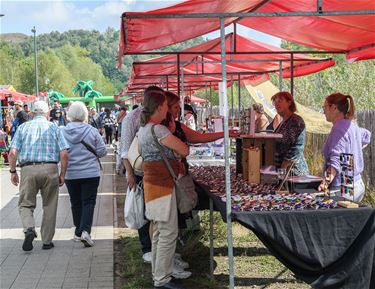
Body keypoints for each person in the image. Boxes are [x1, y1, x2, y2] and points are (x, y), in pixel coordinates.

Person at [138, 89, 189, 289]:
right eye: (167, 106)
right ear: (159, 107)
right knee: (168, 233)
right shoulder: (158, 130)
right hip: (163, 186)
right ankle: (162, 280)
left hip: (152, 186)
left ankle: (160, 275)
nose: (168, 109)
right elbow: (184, 149)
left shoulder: (142, 130)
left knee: (160, 233)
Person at [8, 101, 69, 251]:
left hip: (28, 169)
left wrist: (13, 171)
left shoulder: (23, 128)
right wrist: (62, 174)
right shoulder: (54, 128)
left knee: (25, 203)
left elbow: (13, 153)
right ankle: (47, 241)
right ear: (48, 114)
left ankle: (29, 228)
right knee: (50, 205)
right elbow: (64, 153)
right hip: (50, 168)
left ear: (32, 113)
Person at [62, 101, 107, 247]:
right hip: (90, 173)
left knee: (75, 203)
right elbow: (102, 151)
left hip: (71, 173)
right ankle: (85, 231)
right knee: (88, 202)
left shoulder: (62, 131)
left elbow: (59, 152)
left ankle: (77, 231)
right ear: (85, 114)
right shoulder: (92, 131)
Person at [318, 93, 371, 202]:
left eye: (325, 107)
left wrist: (325, 183)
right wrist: (354, 148)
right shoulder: (352, 126)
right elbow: (367, 136)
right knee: (351, 218)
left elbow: (335, 161)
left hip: (345, 187)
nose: (324, 111)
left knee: (339, 218)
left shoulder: (338, 128)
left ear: (334, 107)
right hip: (357, 184)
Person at [271, 91, 309, 176]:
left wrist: (284, 165)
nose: (276, 104)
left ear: (289, 102)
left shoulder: (296, 121)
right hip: (283, 171)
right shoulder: (282, 122)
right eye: (275, 102)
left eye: (280, 101)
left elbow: (298, 147)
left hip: (293, 172)